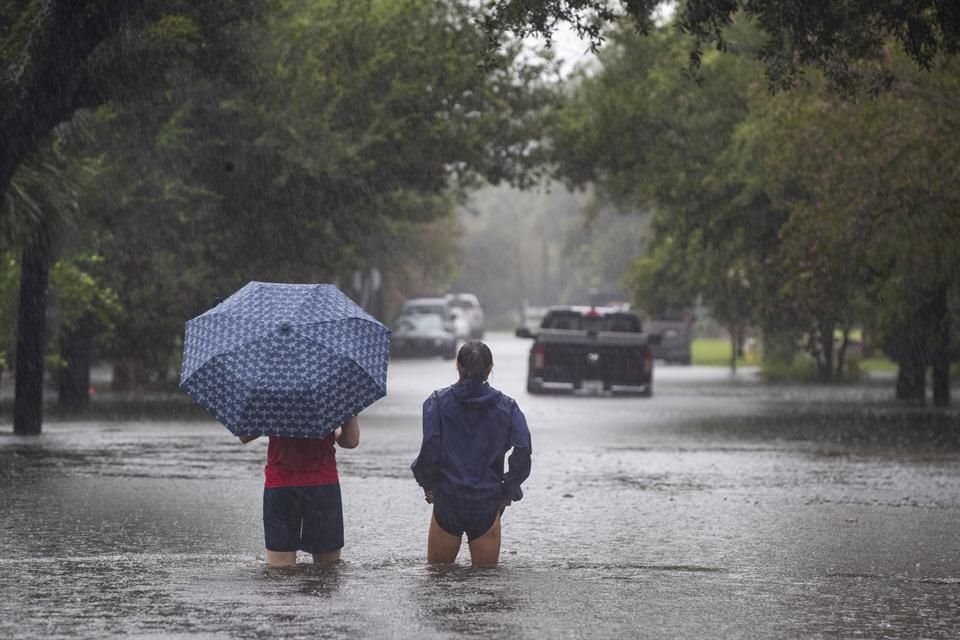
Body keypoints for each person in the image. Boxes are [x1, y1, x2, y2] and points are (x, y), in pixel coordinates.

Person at [411, 340, 532, 567]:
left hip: (448, 499)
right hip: (486, 502)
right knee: (485, 590)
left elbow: (430, 448)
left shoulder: (437, 403)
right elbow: (523, 448)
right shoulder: (508, 407)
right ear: (490, 368)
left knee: (438, 584)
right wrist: (508, 489)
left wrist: (429, 485)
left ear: (458, 366)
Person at [239, 415, 360, 567]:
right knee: (327, 569)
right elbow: (350, 441)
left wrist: (274, 419)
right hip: (322, 483)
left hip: (280, 484)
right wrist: (341, 422)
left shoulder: (271, 395)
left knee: (280, 569)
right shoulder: (333, 395)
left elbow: (244, 436)